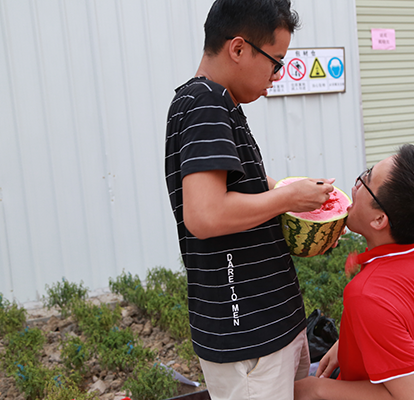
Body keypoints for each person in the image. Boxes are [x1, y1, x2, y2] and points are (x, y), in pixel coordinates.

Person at [164, 1, 335, 399]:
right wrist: (289, 196)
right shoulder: (205, 104)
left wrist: (306, 208)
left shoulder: (219, 104)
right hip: (248, 337)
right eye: (275, 62)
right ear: (238, 48)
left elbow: (245, 189)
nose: (277, 75)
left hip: (270, 327)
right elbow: (205, 215)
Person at [294, 144, 414, 400]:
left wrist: (313, 389)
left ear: (379, 220)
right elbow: (409, 320)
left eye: (366, 180)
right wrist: (349, 343)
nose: (355, 186)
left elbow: (412, 397)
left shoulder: (367, 296)